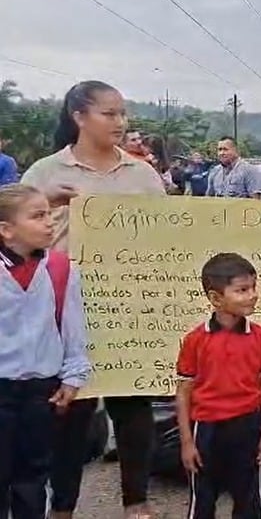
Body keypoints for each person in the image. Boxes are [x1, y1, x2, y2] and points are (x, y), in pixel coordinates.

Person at [21, 80, 165, 519]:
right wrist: (45, 205)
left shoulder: (143, 175)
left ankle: (136, 502)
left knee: (134, 408)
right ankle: (63, 506)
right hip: (61, 313)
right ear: (79, 117)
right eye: (109, 113)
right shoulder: (45, 172)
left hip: (129, 309)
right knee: (71, 412)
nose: (120, 122)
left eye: (123, 113)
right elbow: (15, 235)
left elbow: (169, 236)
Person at [0, 184, 89, 519]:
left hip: (41, 390)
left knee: (34, 475)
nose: (50, 222)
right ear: (7, 230)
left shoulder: (60, 268)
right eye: (38, 216)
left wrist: (73, 375)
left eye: (50, 214)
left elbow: (72, 326)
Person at [175, 253, 261, 519]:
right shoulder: (195, 340)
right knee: (203, 499)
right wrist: (187, 442)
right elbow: (184, 392)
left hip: (248, 425)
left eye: (253, 287)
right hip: (207, 429)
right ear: (216, 298)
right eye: (242, 290)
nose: (252, 295)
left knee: (248, 497)